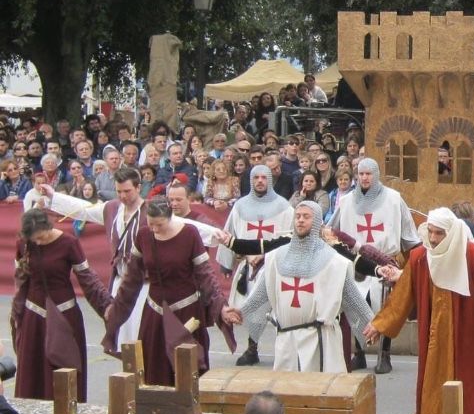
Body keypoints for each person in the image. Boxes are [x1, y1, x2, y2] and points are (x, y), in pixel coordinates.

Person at [364, 208, 474, 414]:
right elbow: (403, 295)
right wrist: (380, 324)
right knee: (434, 392)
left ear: (451, 233)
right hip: (433, 342)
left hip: (469, 340)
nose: (433, 239)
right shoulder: (419, 258)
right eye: (430, 232)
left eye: (439, 233)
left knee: (471, 394)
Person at [103, 197, 240, 385]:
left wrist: (222, 307)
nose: (154, 229)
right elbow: (131, 279)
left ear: (170, 218)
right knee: (153, 367)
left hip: (187, 312)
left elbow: (205, 276)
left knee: (186, 369)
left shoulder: (189, 234)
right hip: (155, 313)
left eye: (159, 224)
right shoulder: (144, 235)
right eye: (150, 224)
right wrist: (115, 308)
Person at [241, 202, 373, 372]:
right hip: (286, 341)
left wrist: (373, 323)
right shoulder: (276, 258)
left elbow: (354, 299)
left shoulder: (334, 262)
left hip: (321, 341)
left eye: (306, 217)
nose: (300, 221)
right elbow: (260, 295)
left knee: (322, 393)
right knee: (286, 393)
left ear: (317, 221)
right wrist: (240, 312)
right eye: (297, 216)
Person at [39, 167, 149, 348]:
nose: (122, 196)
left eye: (127, 191)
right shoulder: (112, 208)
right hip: (121, 282)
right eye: (119, 191)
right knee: (123, 337)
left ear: (138, 188)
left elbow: (181, 225)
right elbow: (83, 210)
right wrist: (54, 196)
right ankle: (129, 373)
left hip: (145, 284)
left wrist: (212, 233)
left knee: (143, 333)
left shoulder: (151, 211)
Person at [328, 157, 420, 372]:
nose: (364, 177)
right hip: (355, 264)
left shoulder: (394, 199)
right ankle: (358, 353)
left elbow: (409, 235)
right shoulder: (348, 201)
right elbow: (333, 230)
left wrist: (411, 264)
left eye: (368, 173)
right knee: (354, 306)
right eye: (361, 174)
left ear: (376, 175)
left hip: (385, 261)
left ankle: (384, 355)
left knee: (384, 309)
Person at [11, 209, 111, 402]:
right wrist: (18, 316)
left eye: (41, 237)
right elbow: (22, 282)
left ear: (48, 227)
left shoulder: (69, 243)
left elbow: (87, 278)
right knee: (33, 374)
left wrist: (106, 305)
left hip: (65, 315)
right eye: (34, 239)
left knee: (64, 372)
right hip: (34, 318)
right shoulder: (24, 243)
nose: (38, 242)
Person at [217, 164, 294, 366]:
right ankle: (252, 349)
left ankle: (285, 351)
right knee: (251, 308)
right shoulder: (241, 206)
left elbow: (289, 237)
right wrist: (227, 263)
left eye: (263, 177)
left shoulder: (284, 207)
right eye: (256, 178)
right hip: (248, 266)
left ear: (269, 180)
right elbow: (229, 233)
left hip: (276, 266)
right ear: (251, 181)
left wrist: (267, 255)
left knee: (280, 311)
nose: (260, 181)